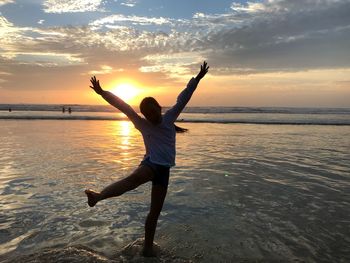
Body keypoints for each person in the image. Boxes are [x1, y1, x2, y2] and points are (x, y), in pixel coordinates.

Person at [85, 61, 209, 257]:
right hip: (151, 164)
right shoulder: (143, 124)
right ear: (145, 116)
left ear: (159, 108)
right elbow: (124, 106)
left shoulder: (169, 118)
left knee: (155, 213)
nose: (152, 117)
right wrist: (103, 93)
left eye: (154, 112)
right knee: (131, 181)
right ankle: (98, 196)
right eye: (148, 115)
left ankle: (148, 247)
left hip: (164, 172)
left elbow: (184, 97)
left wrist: (197, 79)